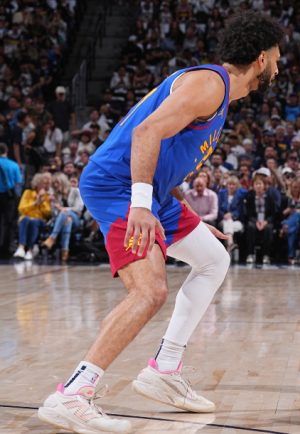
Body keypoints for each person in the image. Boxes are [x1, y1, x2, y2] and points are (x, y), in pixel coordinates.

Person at [37, 12, 284, 433]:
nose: (280, 66)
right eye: (278, 57)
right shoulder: (211, 84)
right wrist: (140, 206)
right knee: (150, 291)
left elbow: (165, 153)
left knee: (212, 259)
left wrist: (182, 214)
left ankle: (164, 369)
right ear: (261, 58)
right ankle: (72, 394)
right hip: (119, 187)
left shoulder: (218, 94)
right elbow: (146, 133)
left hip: (153, 192)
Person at [42, 173, 84, 262]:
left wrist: (64, 209)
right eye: (54, 184)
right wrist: (52, 204)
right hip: (64, 220)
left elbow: (79, 208)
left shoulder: (75, 191)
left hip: (76, 219)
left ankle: (52, 238)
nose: (56, 185)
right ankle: (65, 251)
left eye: (57, 183)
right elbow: (55, 215)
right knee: (67, 220)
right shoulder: (57, 195)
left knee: (65, 213)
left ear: (63, 182)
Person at [15, 172, 53, 260]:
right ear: (37, 183)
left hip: (40, 220)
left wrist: (42, 202)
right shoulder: (27, 193)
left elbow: (47, 214)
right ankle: (21, 247)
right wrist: (35, 203)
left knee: (34, 221)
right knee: (26, 219)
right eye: (42, 183)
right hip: (26, 218)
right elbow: (21, 209)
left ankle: (30, 250)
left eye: (45, 184)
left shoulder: (47, 196)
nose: (44, 186)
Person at [0, 143, 23, 259]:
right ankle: (6, 248)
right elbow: (18, 182)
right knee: (9, 222)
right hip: (9, 197)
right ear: (6, 151)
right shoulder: (14, 165)